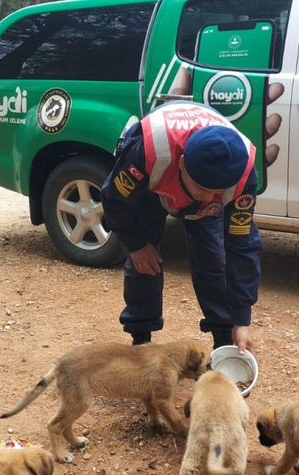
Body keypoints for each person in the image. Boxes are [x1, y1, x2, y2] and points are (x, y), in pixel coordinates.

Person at [101, 101, 261, 354]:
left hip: (204, 214)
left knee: (214, 263)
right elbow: (114, 199)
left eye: (217, 192)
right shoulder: (147, 150)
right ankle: (141, 341)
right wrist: (136, 244)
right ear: (183, 163)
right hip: (152, 192)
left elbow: (241, 246)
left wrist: (242, 319)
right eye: (202, 189)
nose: (208, 196)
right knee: (144, 264)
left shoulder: (242, 173)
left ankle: (225, 340)